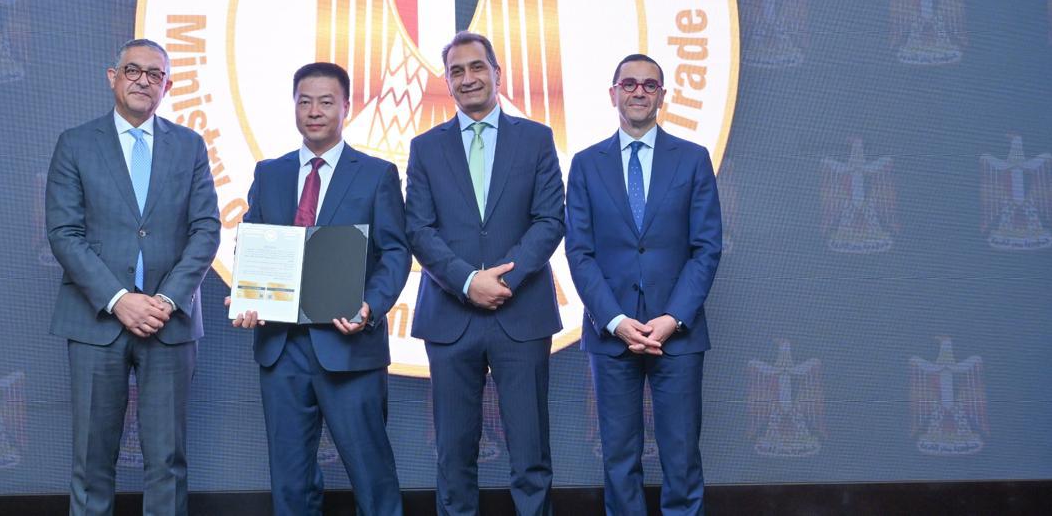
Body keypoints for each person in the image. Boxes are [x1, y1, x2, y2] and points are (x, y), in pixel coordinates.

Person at [46, 39, 220, 516]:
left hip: (170, 322)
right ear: (112, 77)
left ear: (168, 86)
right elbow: (64, 233)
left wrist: (167, 300)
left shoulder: (190, 146)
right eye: (132, 70)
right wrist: (119, 298)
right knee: (91, 459)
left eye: (155, 74)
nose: (143, 80)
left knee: (167, 461)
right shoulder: (76, 143)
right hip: (96, 322)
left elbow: (206, 230)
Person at [228, 62, 410, 516]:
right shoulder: (269, 173)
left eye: (326, 102)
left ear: (346, 106)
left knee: (372, 476)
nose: (314, 111)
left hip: (349, 344)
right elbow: (253, 241)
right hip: (281, 348)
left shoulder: (376, 174)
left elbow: (395, 253)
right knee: (290, 482)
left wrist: (370, 307)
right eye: (304, 101)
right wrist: (246, 295)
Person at [405, 31, 565, 516]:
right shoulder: (425, 147)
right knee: (453, 457)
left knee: (531, 456)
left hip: (522, 315)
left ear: (498, 73)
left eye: (477, 67)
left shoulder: (536, 138)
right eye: (456, 71)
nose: (468, 78)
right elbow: (418, 229)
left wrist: (503, 281)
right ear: (447, 81)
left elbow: (549, 220)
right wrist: (467, 281)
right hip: (450, 318)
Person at [565, 54, 722, 516]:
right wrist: (614, 320)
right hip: (611, 334)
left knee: (682, 457)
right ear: (613, 94)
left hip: (678, 334)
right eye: (629, 84)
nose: (639, 91)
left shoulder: (693, 160)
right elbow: (579, 252)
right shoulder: (586, 164)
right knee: (618, 458)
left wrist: (673, 318)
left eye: (649, 85)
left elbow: (706, 248)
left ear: (662, 96)